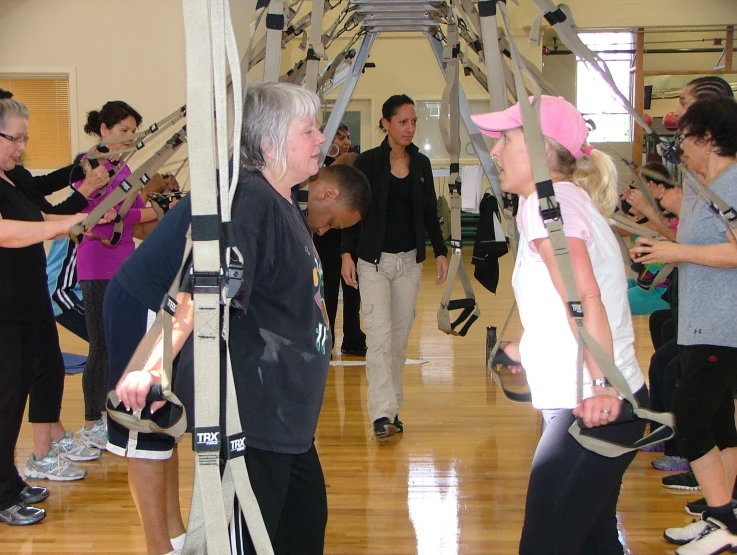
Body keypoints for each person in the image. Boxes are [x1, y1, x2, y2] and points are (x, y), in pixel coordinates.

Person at [113, 82, 369, 555]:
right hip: (255, 425)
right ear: (271, 143)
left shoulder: (283, 201)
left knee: (304, 534)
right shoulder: (249, 201)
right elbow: (202, 289)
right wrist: (152, 365)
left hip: (289, 427)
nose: (321, 139)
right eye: (308, 129)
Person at [471, 95, 648, 554]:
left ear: (541, 148)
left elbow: (584, 296)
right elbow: (568, 299)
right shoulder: (561, 200)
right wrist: (528, 347)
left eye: (505, 139)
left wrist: (602, 384)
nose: (494, 151)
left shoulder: (546, 204)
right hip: (594, 401)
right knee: (593, 541)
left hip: (593, 406)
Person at [631, 98, 737, 554]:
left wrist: (677, 254)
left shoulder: (732, 185)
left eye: (686, 139)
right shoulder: (700, 184)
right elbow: (687, 242)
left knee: (690, 415)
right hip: (697, 322)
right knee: (717, 422)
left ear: (709, 139)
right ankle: (722, 516)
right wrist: (660, 244)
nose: (681, 151)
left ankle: (724, 524)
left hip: (726, 324)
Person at [0, 96, 109, 525]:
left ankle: (9, 480)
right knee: (5, 401)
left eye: (25, 139)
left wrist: (77, 201)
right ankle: (3, 494)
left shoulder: (12, 179)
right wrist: (63, 226)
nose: (21, 147)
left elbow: (43, 210)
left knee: (21, 393)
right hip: (4, 309)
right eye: (15, 139)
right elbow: (6, 232)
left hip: (26, 303)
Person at [341, 94, 449, 439]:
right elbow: (351, 212)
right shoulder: (367, 163)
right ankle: (381, 414)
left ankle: (393, 408)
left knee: (400, 341)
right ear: (385, 123)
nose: (410, 128)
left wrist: (442, 252)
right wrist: (346, 254)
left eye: (414, 121)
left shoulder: (421, 164)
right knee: (380, 339)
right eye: (403, 121)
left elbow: (431, 211)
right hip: (373, 263)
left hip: (409, 264)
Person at [75, 101, 160, 451]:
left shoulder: (123, 171)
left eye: (132, 133)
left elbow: (141, 211)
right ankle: (91, 421)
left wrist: (128, 212)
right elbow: (81, 212)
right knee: (101, 345)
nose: (128, 138)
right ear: (104, 130)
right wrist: (114, 213)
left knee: (123, 342)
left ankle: (116, 412)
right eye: (123, 131)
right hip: (96, 265)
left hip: (125, 265)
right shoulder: (87, 165)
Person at [313, 126, 367, 357]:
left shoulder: (355, 168)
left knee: (353, 289)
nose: (346, 141)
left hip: (351, 237)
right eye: (341, 137)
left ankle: (353, 337)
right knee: (328, 291)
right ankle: (327, 338)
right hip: (327, 240)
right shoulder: (317, 169)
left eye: (349, 137)